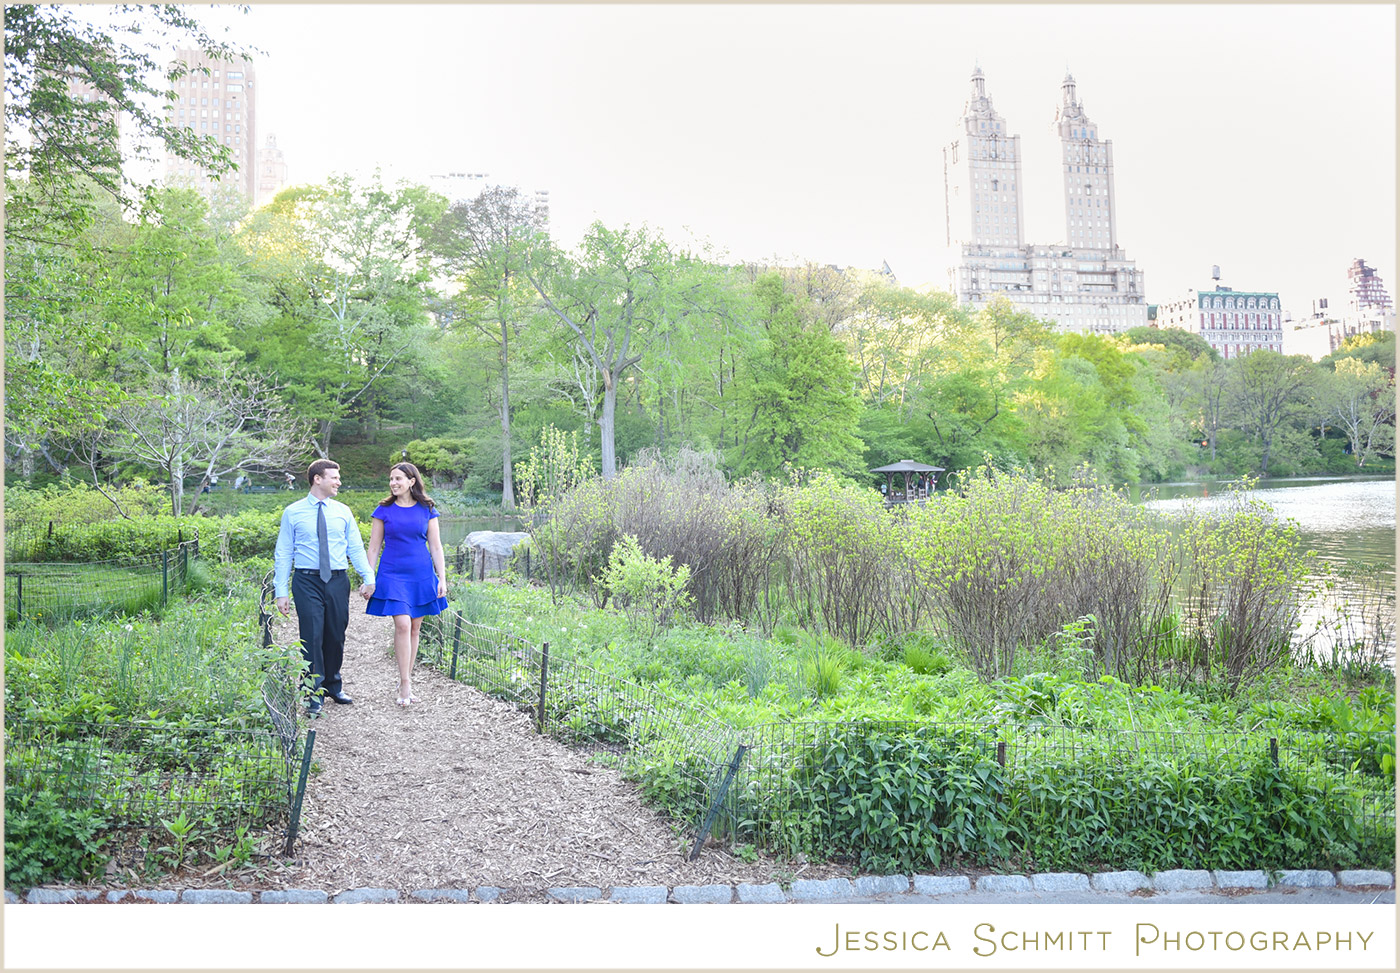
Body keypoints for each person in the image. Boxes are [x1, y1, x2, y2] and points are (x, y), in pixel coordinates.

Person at [273, 459, 375, 715]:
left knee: (335, 634)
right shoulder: (292, 512)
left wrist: (368, 577)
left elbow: (355, 547)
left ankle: (333, 684)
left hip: (338, 581)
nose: (339, 481)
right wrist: (281, 591)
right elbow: (283, 553)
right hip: (307, 581)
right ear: (317, 479)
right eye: (334, 477)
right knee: (312, 635)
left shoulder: (343, 511)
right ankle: (312, 693)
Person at [365, 461, 448, 706]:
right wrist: (369, 579)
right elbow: (373, 547)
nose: (393, 483)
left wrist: (441, 578)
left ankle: (406, 677)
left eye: (398, 479)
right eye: (391, 479)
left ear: (412, 481)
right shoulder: (383, 510)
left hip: (421, 574)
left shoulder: (427, 509)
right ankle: (405, 682)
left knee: (414, 628)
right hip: (392, 574)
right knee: (402, 624)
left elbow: (436, 546)